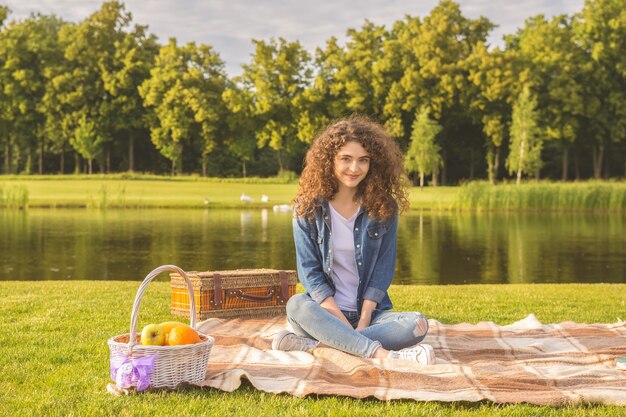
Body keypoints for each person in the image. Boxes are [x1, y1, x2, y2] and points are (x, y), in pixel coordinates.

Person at [272, 116, 435, 364]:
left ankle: (318, 346)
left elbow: (383, 270)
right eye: (345, 159)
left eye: (363, 160)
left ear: (374, 163)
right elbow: (309, 274)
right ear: (330, 161)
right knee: (296, 305)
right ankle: (379, 353)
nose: (354, 168)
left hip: (368, 314)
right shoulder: (307, 209)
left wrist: (363, 321)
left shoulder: (383, 207)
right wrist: (339, 320)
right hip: (322, 313)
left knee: (417, 324)